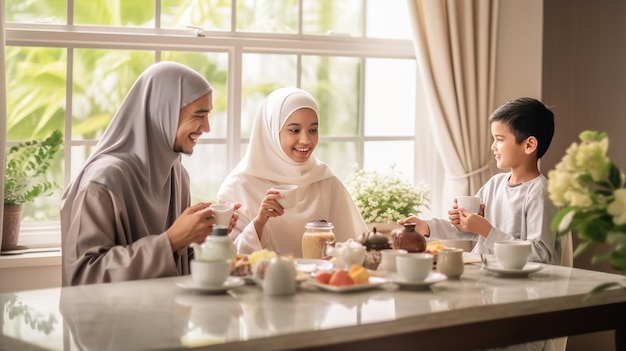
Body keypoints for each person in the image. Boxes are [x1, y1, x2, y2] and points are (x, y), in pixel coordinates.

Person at [60, 61, 239, 286]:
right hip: (116, 322)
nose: (207, 127)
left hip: (168, 318)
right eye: (198, 115)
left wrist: (208, 235)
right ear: (163, 112)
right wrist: (170, 241)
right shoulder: (103, 182)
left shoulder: (177, 175)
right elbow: (84, 275)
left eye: (208, 115)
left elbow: (181, 263)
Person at [400, 97, 561, 265]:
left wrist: (486, 230)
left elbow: (541, 255)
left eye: (499, 139)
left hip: (519, 286)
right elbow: (467, 231)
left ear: (529, 145)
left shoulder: (540, 193)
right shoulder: (494, 184)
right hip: (486, 275)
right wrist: (425, 227)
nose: (493, 146)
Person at [217, 87, 368, 256]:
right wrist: (259, 222)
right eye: (294, 130)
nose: (306, 140)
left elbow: (355, 247)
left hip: (321, 281)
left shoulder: (325, 180)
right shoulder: (239, 186)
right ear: (271, 131)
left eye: (313, 130)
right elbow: (227, 259)